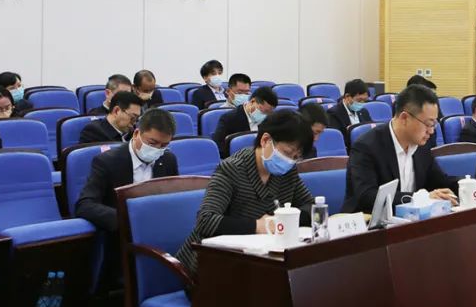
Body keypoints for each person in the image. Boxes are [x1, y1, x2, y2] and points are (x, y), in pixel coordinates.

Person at [176, 110, 317, 277]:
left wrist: (284, 220)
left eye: (296, 157)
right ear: (266, 140)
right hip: (214, 265)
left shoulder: (287, 171)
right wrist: (258, 226)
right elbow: (206, 221)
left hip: (261, 260)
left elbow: (312, 207)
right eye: (287, 153)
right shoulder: (232, 169)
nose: (290, 161)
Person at [344, 85, 458, 214]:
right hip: (370, 221)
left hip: (411, 220)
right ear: (404, 118)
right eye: (428, 124)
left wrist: (470, 185)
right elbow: (367, 196)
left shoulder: (422, 145)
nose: (431, 131)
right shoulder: (366, 146)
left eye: (434, 124)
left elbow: (440, 181)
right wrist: (418, 198)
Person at [74, 108, 179, 233]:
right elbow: (85, 205)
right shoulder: (107, 162)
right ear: (136, 134)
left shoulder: (168, 159)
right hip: (122, 232)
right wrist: (128, 219)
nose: (157, 149)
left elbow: (175, 199)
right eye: (152, 143)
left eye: (164, 145)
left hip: (159, 228)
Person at [212, 86, 278, 156]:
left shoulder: (268, 120)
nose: (265, 115)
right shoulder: (228, 119)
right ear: (252, 101)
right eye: (264, 111)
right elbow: (219, 149)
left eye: (269, 112)